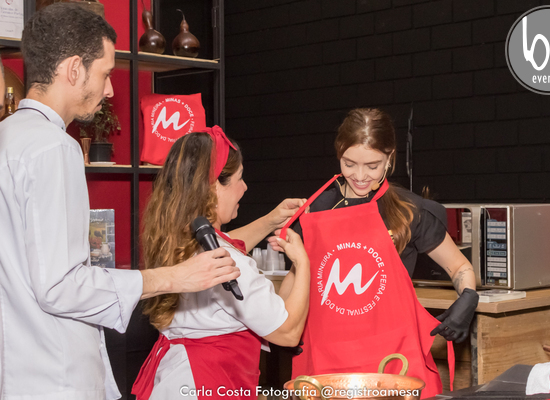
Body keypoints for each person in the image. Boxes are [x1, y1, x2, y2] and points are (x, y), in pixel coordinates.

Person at [0, 4, 241, 399]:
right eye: (106, 73)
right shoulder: (53, 147)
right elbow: (60, 286)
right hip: (54, 377)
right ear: (74, 69)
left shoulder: (8, 136)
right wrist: (174, 276)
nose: (110, 90)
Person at [278, 108, 478, 398]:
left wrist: (468, 296)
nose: (360, 176)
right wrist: (281, 322)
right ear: (338, 154)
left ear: (390, 157)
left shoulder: (409, 210)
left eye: (372, 166)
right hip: (326, 359)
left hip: (393, 360)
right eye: (349, 164)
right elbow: (296, 276)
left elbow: (460, 268)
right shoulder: (314, 210)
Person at [132, 128, 310, 400]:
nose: (245, 187)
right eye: (240, 179)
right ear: (214, 188)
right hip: (208, 384)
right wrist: (304, 262)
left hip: (177, 378)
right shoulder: (226, 263)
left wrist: (272, 221)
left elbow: (228, 245)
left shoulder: (176, 240)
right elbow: (287, 333)